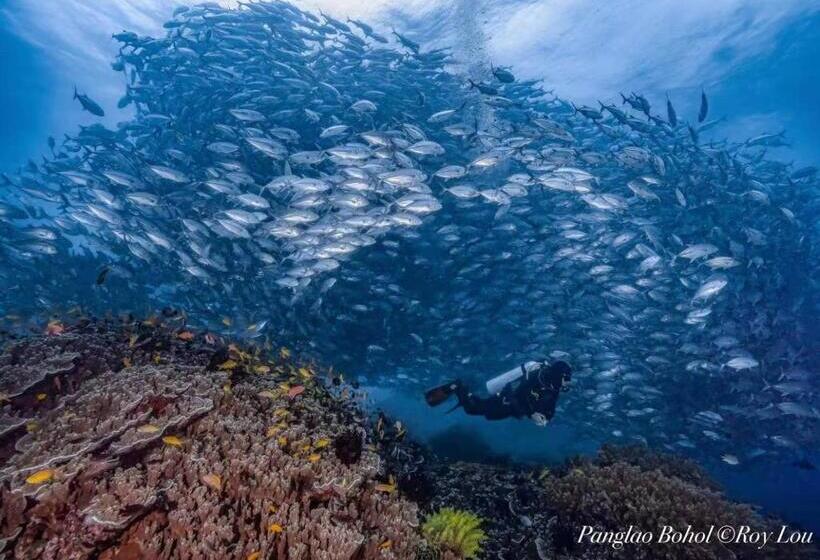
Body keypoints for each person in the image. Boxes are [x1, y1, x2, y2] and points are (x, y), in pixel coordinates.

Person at [424, 360, 572, 425]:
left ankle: (461, 388)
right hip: (504, 402)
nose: (566, 383)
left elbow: (550, 409)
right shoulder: (534, 376)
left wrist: (544, 418)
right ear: (557, 374)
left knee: (476, 407)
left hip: (511, 410)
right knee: (472, 408)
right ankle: (457, 386)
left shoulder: (553, 388)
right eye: (565, 379)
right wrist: (531, 412)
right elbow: (514, 391)